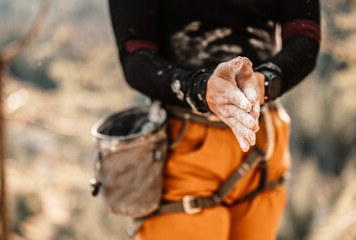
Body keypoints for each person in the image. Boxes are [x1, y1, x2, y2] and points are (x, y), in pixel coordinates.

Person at [108, 0, 320, 239]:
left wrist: (203, 88)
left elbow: (136, 53)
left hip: (203, 142)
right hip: (251, 138)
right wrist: (262, 82)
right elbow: (304, 34)